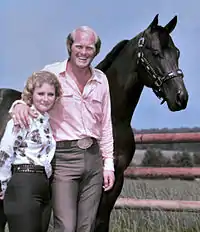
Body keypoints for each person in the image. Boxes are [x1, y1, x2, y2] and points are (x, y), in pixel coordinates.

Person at [10, 26, 115, 232]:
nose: (83, 52)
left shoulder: (101, 80)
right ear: (70, 46)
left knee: (87, 226)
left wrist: (108, 164)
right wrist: (19, 105)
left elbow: (105, 123)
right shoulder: (53, 72)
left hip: (94, 159)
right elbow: (31, 95)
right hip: (64, 158)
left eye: (89, 48)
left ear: (96, 50)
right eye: (79, 46)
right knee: (65, 226)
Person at [0, 71, 62, 232]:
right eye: (40, 93)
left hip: (43, 187)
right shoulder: (21, 118)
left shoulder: (46, 121)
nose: (45, 98)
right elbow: (5, 152)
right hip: (23, 184)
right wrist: (4, 184)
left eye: (50, 94)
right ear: (31, 95)